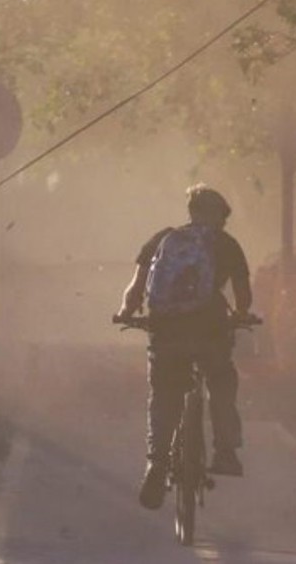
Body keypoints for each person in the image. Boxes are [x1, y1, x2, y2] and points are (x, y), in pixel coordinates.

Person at [116, 184, 254, 510]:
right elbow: (243, 295)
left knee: (164, 393)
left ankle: (157, 462)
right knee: (221, 381)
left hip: (167, 332)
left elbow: (136, 289)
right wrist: (242, 315)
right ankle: (225, 451)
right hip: (211, 330)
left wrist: (126, 312)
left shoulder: (164, 239)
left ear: (190, 212)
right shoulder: (227, 244)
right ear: (218, 216)